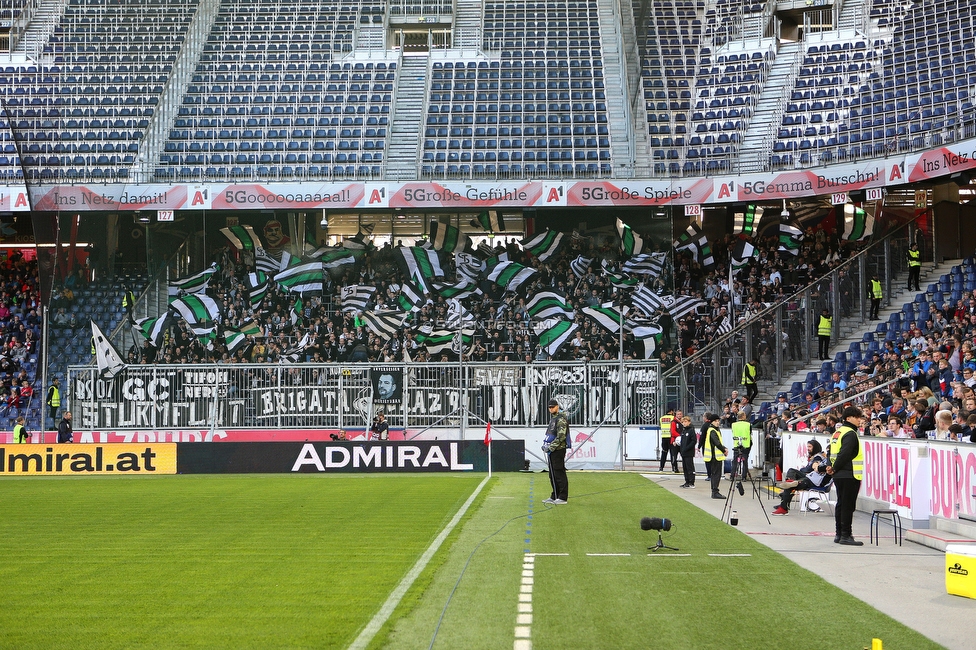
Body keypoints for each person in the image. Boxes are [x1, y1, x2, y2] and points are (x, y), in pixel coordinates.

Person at [826, 406, 865, 546]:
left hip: (839, 474)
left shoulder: (838, 432)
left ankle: (839, 533)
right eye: (857, 417)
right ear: (849, 418)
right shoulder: (850, 433)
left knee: (841, 504)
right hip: (849, 473)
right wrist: (835, 468)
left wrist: (831, 467)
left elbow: (830, 452)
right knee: (848, 506)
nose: (859, 420)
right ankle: (846, 535)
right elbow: (845, 453)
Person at [771, 440, 832, 515]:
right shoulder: (825, 460)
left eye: (810, 446)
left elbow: (815, 468)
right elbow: (815, 467)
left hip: (816, 483)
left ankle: (783, 508)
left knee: (791, 486)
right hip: (810, 478)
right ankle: (789, 485)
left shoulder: (824, 460)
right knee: (791, 479)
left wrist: (818, 467)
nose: (826, 454)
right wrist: (817, 467)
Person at [543, 398, 569, 504]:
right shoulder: (553, 418)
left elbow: (561, 436)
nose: (551, 409)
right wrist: (545, 445)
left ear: (557, 406)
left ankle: (562, 497)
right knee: (552, 474)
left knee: (559, 472)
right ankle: (555, 495)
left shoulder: (561, 419)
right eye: (549, 407)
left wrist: (551, 447)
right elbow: (551, 434)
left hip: (558, 449)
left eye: (552, 407)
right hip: (552, 450)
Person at [701, 413, 727, 499]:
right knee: (716, 474)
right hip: (715, 456)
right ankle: (715, 491)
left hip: (714, 456)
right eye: (716, 421)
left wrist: (723, 448)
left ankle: (714, 491)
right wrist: (724, 450)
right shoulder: (713, 430)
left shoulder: (714, 430)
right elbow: (717, 443)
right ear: (712, 422)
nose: (718, 422)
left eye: (718, 421)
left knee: (715, 474)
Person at [731, 411, 752, 483]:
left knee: (735, 461)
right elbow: (750, 433)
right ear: (743, 416)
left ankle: (732, 476)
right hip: (746, 444)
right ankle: (744, 477)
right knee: (745, 461)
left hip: (736, 444)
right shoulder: (748, 424)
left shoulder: (733, 424)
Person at [678, 414, 698, 488]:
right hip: (683, 453)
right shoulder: (683, 431)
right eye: (683, 422)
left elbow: (694, 441)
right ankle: (687, 481)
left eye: (686, 422)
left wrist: (687, 448)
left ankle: (691, 482)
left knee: (690, 467)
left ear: (689, 422)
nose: (684, 423)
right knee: (685, 468)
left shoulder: (691, 430)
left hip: (689, 452)